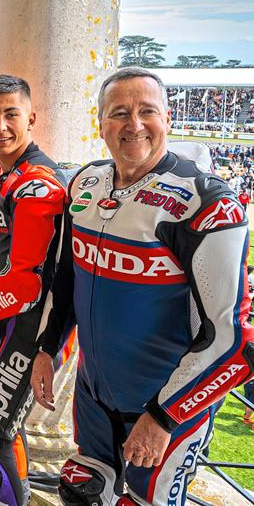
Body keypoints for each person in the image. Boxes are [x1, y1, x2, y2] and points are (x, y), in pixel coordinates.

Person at [32, 67, 254, 504]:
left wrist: (164, 416)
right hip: (94, 396)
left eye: (146, 111)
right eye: (119, 113)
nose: (133, 124)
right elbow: (65, 277)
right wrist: (47, 348)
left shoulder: (206, 202)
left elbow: (232, 339)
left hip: (163, 405)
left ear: (167, 118)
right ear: (101, 125)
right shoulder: (86, 182)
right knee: (81, 492)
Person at [0, 75, 67, 506]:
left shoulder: (38, 183)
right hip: (6, 321)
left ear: (31, 118)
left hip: (32, 327)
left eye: (10, 115)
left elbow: (25, 283)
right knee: (4, 432)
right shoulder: (3, 177)